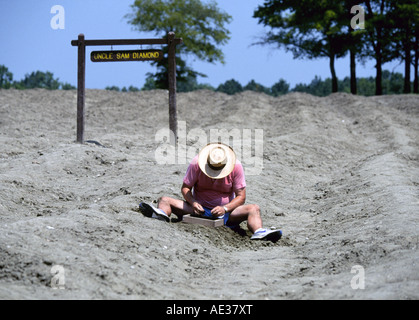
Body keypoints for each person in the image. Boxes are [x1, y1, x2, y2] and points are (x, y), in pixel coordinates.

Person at [139, 142, 282, 242]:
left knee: (254, 208)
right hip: (198, 209)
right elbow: (185, 188)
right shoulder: (196, 164)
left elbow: (241, 196)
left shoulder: (236, 167)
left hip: (227, 213)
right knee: (164, 200)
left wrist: (225, 208)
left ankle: (259, 232)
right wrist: (193, 202)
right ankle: (161, 216)